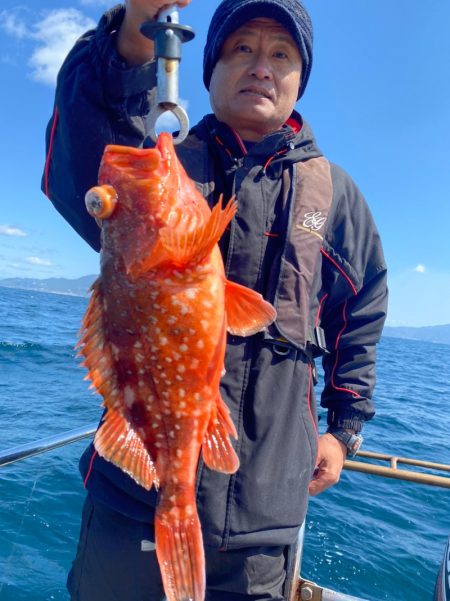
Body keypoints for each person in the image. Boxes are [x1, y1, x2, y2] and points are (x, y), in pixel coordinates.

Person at [42, 0, 388, 599]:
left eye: (280, 54)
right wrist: (132, 36)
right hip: (130, 504)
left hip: (263, 519)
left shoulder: (333, 196)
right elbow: (84, 148)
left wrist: (345, 430)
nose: (261, 67)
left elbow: (361, 316)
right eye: (242, 49)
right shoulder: (164, 163)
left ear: (300, 79)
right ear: (209, 70)